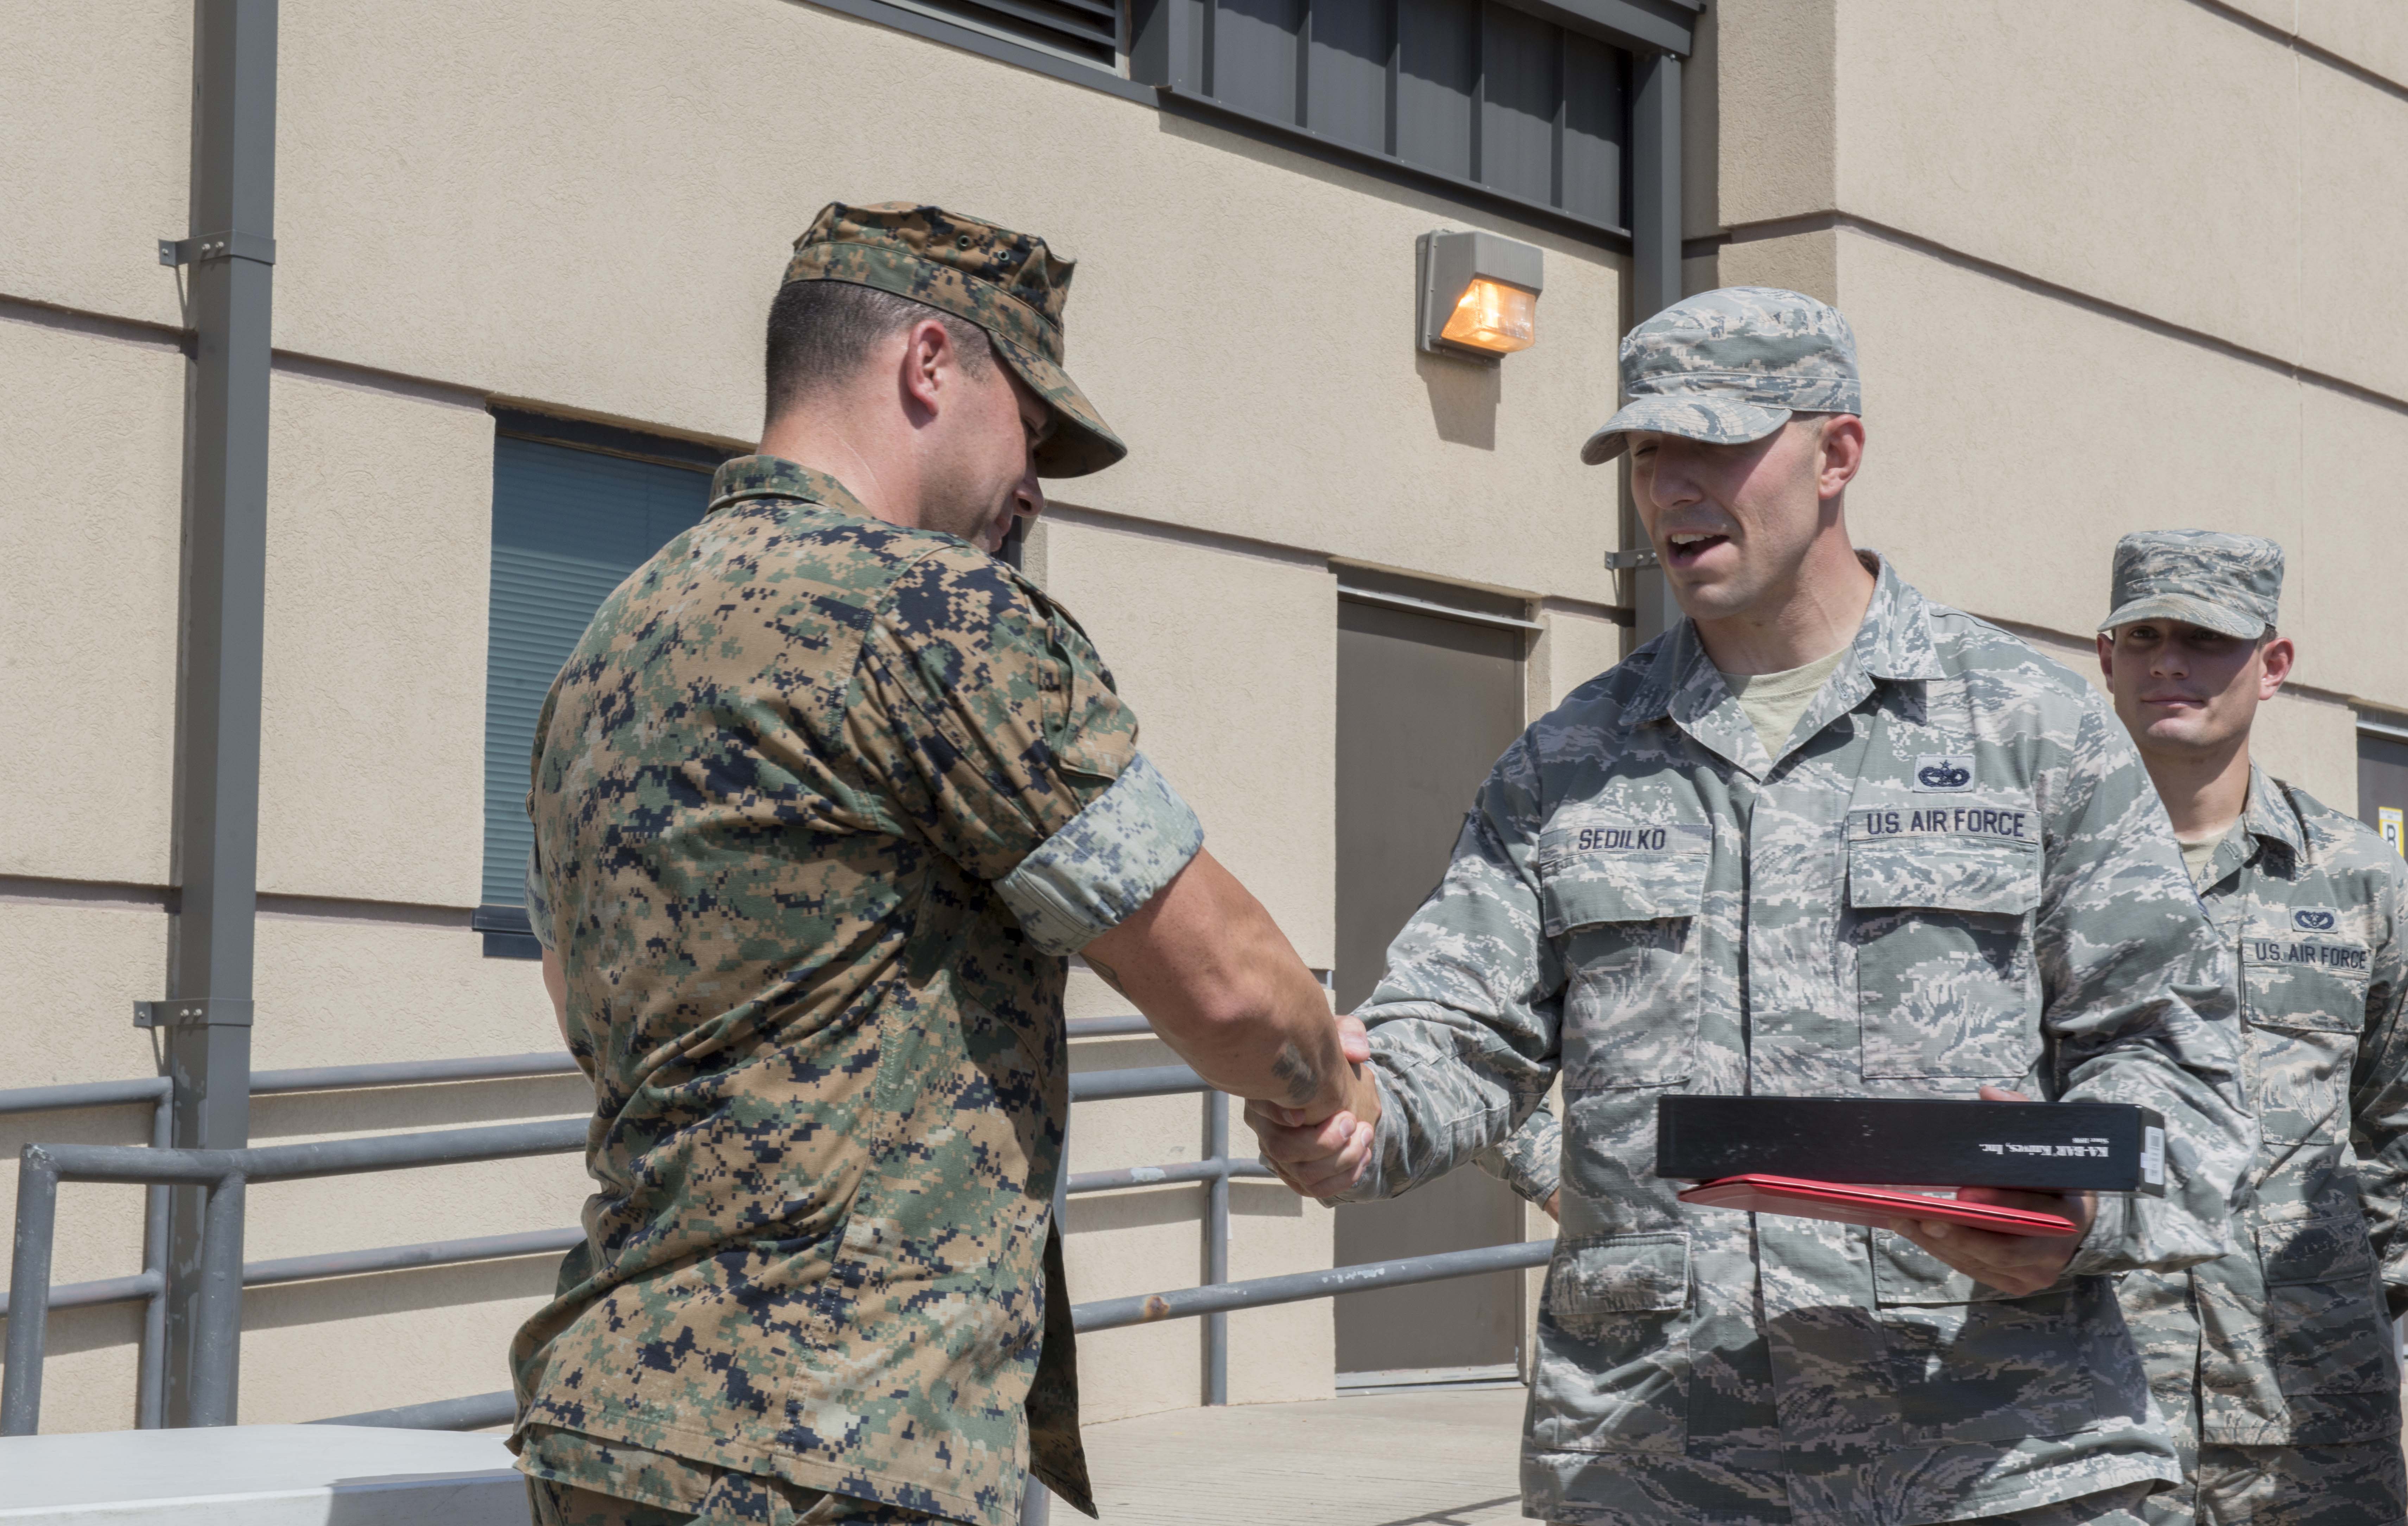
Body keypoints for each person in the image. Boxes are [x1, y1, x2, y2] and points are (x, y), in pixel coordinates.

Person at [1250, 287, 2253, 1526]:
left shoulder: (2027, 730)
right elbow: (1456, 1030)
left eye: (1714, 444)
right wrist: (1354, 1113)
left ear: (1836, 454)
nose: (1670, 485)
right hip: (1662, 1457)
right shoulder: (1569, 761)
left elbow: (2178, 1060)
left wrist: (2084, 1209)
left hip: (1994, 1455)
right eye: (1645, 452)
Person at [507, 202, 1366, 1526]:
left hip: (610, 1433)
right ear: (929, 366)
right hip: (839, 1443)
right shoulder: (930, 612)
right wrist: (1323, 1085)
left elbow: (578, 1004)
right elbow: (1234, 991)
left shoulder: (609, 644)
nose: (1035, 482)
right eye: (1031, 424)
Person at [2094, 531, 2408, 1526]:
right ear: (2106, 659)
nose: (2169, 665)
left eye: (2204, 639)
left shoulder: (2356, 879)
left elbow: (2395, 1131)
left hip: (2310, 1417)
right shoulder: (2042, 874)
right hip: (2088, 1410)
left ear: (2272, 666)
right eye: (2141, 637)